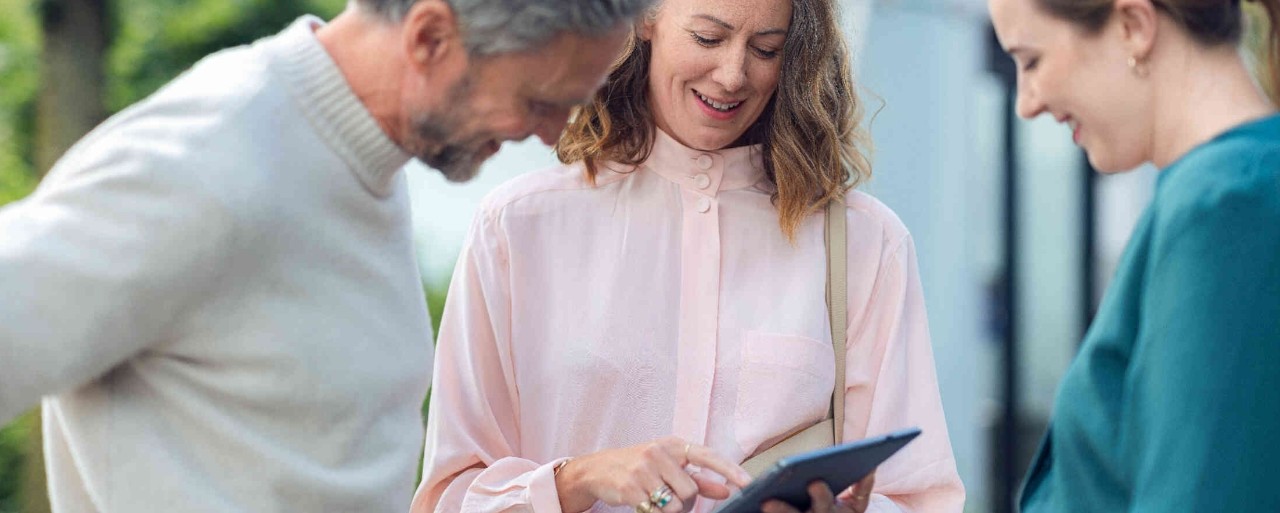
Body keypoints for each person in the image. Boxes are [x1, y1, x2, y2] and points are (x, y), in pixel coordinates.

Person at [0, 0, 651, 510]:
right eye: (538, 101)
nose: (547, 134)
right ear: (428, 37)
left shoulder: (362, 155)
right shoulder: (213, 162)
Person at [414, 0, 966, 511]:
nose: (733, 75)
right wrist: (577, 479)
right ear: (644, 18)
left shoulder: (867, 244)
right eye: (708, 37)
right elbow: (449, 495)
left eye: (766, 49)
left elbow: (921, 495)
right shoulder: (517, 227)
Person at [989, 0, 1280, 511]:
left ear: (1133, 27)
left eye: (1031, 60)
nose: (1025, 104)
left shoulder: (1223, 207)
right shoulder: (1215, 194)